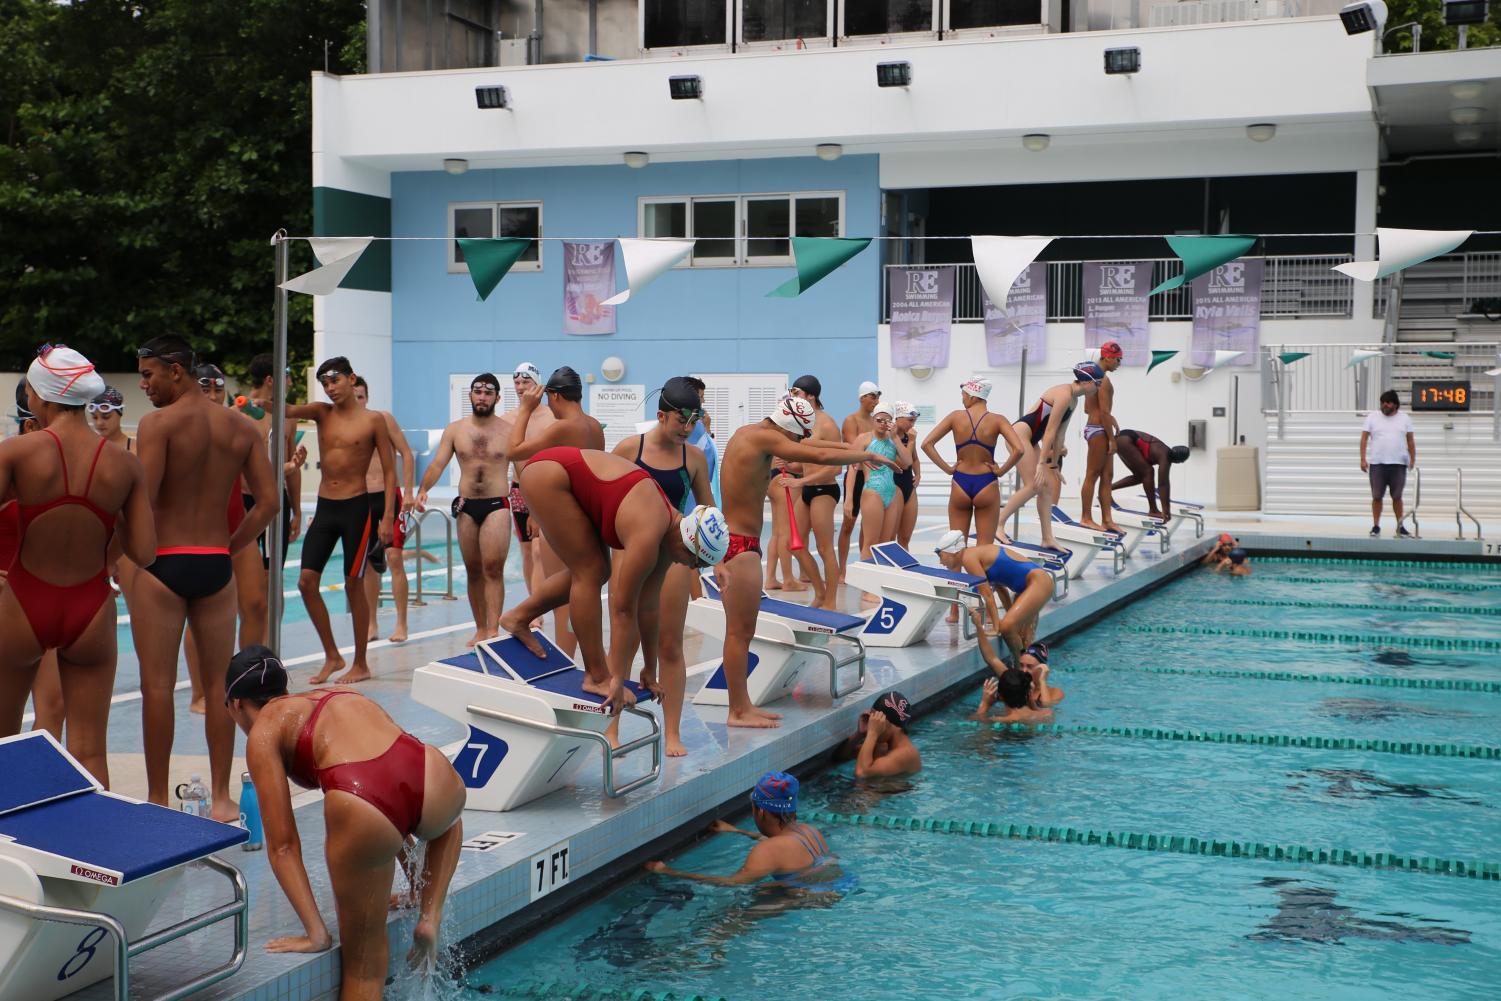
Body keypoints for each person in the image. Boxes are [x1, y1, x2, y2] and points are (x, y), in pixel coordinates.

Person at [223, 646, 465, 996]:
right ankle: (430, 915)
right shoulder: (339, 693)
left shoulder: (264, 730)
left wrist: (316, 933)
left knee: (364, 970)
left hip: (362, 799)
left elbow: (283, 845)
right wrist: (416, 880)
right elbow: (393, 788)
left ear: (235, 704)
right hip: (430, 772)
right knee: (448, 823)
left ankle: (417, 911)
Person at [134, 335, 279, 819]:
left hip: (162, 564)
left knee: (157, 687)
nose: (144, 384)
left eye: (150, 374)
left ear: (177, 371)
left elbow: (143, 501)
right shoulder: (240, 428)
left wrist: (125, 556)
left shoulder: (157, 425)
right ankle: (220, 798)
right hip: (217, 564)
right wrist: (231, 546)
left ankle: (157, 800)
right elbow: (269, 503)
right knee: (222, 688)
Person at [0, 347, 156, 787]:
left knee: (4, 740)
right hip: (91, 607)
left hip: (24, 602)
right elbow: (144, 552)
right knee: (90, 749)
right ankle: (91, 850)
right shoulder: (124, 463)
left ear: (40, 397)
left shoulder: (17, 452)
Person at [500, 448, 729, 717]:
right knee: (590, 572)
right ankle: (595, 676)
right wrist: (615, 679)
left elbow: (649, 606)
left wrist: (649, 669)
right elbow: (622, 608)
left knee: (596, 570)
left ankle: (518, 617)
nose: (692, 568)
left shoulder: (672, 532)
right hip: (549, 475)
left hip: (566, 476)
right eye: (696, 562)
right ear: (690, 544)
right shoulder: (650, 532)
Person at [716, 396, 900, 727]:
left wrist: (859, 449)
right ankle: (736, 711)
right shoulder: (764, 438)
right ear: (788, 427)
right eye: (798, 436)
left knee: (744, 633)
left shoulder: (751, 434)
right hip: (739, 545)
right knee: (738, 634)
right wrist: (869, 454)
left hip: (741, 543)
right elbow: (819, 454)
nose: (798, 444)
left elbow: (822, 446)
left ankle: (742, 705)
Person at [611, 376, 714, 756]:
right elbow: (605, 503)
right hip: (629, 554)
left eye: (694, 422)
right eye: (681, 421)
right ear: (662, 415)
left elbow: (707, 511)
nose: (687, 429)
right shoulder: (627, 450)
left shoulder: (694, 458)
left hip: (672, 555)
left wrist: (719, 559)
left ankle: (672, 732)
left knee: (671, 644)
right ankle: (612, 726)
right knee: (623, 641)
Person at [287, 357, 396, 686]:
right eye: (324, 383)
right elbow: (286, 409)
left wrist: (388, 516)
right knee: (306, 582)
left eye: (335, 380)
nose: (330, 388)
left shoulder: (374, 420)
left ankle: (360, 662)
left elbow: (391, 471)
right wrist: (259, 400)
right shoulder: (322, 413)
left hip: (357, 510)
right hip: (324, 508)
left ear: (351, 379)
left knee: (353, 585)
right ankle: (333, 655)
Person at [508, 366, 605, 658]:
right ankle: (578, 662)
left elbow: (513, 450)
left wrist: (525, 409)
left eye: (549, 399)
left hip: (563, 523)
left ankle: (564, 661)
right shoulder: (593, 425)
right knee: (584, 591)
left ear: (555, 396)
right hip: (589, 520)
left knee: (564, 601)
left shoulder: (564, 427)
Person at [413, 373, 513, 647]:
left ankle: (493, 630)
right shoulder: (455, 430)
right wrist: (423, 489)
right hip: (467, 505)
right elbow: (437, 464)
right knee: (473, 569)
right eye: (477, 391)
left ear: (497, 398)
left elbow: (526, 470)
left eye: (488, 392)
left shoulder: (509, 431)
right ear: (470, 395)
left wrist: (534, 512)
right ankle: (480, 628)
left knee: (493, 568)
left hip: (497, 504)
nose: (482, 396)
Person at [4, 382, 74, 745]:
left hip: (43, 595)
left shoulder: (63, 463)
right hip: (11, 595)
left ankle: (39, 791)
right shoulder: (10, 460)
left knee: (53, 705)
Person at [645, 772, 850, 894]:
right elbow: (787, 848)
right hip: (840, 884)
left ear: (759, 810)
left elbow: (732, 883)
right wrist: (736, 830)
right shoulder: (809, 831)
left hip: (809, 896)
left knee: (732, 915)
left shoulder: (767, 850)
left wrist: (669, 872)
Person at [995, 363, 1104, 550]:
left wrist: (1053, 466)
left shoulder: (1073, 401)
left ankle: (1047, 538)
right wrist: (1040, 464)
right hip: (1020, 435)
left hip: (1031, 439)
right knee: (1034, 485)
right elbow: (1050, 432)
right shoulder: (1064, 394)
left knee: (1047, 487)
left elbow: (1060, 435)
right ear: (1087, 382)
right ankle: (997, 524)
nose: (1099, 388)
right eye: (1098, 384)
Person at [921, 376, 1024, 564]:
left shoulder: (955, 417)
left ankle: (954, 590)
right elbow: (1019, 449)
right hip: (986, 484)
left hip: (960, 483)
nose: (962, 398)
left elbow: (927, 444)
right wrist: (1001, 471)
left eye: (964, 394)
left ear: (974, 395)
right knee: (985, 551)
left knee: (954, 547)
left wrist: (948, 469)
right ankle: (982, 590)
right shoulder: (998, 420)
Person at [351, 377, 416, 644]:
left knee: (394, 558)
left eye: (361, 397)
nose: (357, 402)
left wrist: (409, 492)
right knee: (367, 566)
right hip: (360, 498)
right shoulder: (343, 426)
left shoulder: (383, 419)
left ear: (367, 397)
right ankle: (372, 624)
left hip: (389, 496)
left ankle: (401, 624)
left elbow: (406, 454)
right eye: (352, 397)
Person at [935, 529, 1054, 666]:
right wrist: (1009, 616)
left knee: (1007, 627)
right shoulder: (978, 554)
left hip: (1038, 583)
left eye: (941, 556)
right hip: (1033, 586)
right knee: (1022, 638)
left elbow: (987, 595)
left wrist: (997, 627)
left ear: (953, 551)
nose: (940, 562)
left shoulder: (968, 558)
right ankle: (1026, 672)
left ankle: (1019, 667)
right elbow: (1000, 589)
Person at [784, 375, 843, 610]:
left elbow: (835, 468)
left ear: (811, 396)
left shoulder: (827, 424)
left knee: (824, 547)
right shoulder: (803, 423)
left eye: (796, 393)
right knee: (794, 544)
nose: (793, 397)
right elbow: (806, 463)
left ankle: (831, 601)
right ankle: (819, 592)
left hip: (825, 490)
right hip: (808, 487)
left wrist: (802, 481)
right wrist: (788, 465)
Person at [244, 353, 304, 581]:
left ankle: (272, 619)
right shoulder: (237, 415)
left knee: (273, 576)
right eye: (287, 376)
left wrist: (297, 511)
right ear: (271, 380)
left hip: (278, 500)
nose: (290, 382)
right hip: (245, 502)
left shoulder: (288, 417)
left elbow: (293, 468)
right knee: (243, 574)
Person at [852, 401, 911, 602]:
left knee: (886, 543)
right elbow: (851, 465)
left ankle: (880, 585)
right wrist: (849, 500)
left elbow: (908, 461)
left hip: (891, 492)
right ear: (872, 419)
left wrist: (895, 437)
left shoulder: (893, 440)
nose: (882, 423)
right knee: (870, 541)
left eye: (887, 420)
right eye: (879, 419)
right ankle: (867, 588)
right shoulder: (863, 439)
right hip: (872, 492)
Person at [507, 363, 548, 621]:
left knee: (538, 550)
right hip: (519, 491)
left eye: (526, 382)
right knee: (526, 551)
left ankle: (537, 607)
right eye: (518, 383)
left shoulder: (551, 417)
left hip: (546, 490)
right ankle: (535, 608)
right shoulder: (509, 418)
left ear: (538, 385)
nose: (521, 388)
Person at [835, 380, 881, 581]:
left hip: (873, 477)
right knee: (848, 524)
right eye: (873, 396)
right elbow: (855, 452)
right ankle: (842, 570)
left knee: (867, 526)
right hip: (856, 475)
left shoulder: (876, 421)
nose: (876, 400)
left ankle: (863, 567)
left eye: (878, 396)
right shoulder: (850, 421)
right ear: (862, 397)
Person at [1079, 341, 1124, 533]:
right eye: (1118, 359)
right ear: (1107, 357)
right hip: (1099, 431)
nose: (1119, 364)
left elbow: (1087, 408)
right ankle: (1086, 517)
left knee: (1107, 476)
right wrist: (1112, 439)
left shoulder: (1091, 377)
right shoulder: (1103, 381)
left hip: (1096, 427)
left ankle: (1107, 519)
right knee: (1093, 474)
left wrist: (1109, 417)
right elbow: (1103, 412)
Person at [1360, 389, 1416, 538]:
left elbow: (1410, 440)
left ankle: (1400, 525)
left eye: (1388, 402)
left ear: (1395, 404)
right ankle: (1376, 525)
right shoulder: (1372, 417)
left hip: (1398, 464)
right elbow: (1364, 438)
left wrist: (1413, 458)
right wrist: (1362, 459)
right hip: (1378, 463)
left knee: (1397, 497)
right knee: (1377, 496)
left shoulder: (1405, 418)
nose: (1385, 405)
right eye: (1382, 402)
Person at [1111, 429, 1190, 521]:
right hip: (1126, 439)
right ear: (1179, 460)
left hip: (1123, 438)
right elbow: (1163, 484)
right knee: (1148, 472)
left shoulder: (1164, 451)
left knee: (1140, 476)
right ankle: (1153, 509)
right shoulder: (1165, 457)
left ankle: (1106, 490)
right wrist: (1166, 510)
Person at [847, 691, 922, 778]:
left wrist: (872, 733)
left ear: (892, 724)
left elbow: (861, 773)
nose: (872, 725)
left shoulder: (907, 754)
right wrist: (859, 734)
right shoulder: (883, 745)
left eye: (876, 721)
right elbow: (842, 757)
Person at [891, 401, 922, 551]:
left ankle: (904, 572)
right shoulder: (890, 436)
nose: (913, 424)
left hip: (908, 485)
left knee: (905, 538)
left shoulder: (908, 436)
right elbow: (903, 464)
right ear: (898, 418)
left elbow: (914, 459)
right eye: (910, 420)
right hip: (893, 484)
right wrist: (911, 441)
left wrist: (918, 474)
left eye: (914, 421)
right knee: (890, 537)